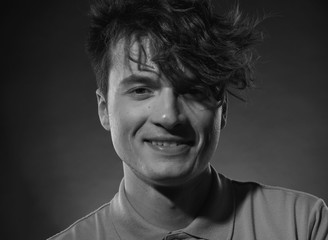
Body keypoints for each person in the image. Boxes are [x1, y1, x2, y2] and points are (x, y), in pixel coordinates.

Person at [48, 0, 328, 239]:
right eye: (141, 89)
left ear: (223, 109)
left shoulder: (302, 225)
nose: (169, 116)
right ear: (103, 109)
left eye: (193, 90)